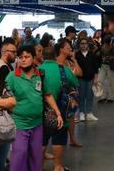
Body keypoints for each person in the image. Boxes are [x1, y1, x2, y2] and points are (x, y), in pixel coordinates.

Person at [7, 46, 62, 171]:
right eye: (20, 57)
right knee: (18, 156)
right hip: (19, 124)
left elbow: (47, 95)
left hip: (37, 124)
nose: (23, 60)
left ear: (33, 58)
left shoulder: (40, 75)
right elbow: (4, 97)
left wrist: (57, 113)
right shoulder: (12, 77)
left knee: (36, 158)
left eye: (27, 57)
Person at [39, 42, 79, 171]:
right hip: (61, 111)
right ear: (55, 56)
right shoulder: (64, 69)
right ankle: (58, 166)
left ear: (42, 57)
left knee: (42, 140)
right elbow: (75, 82)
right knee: (59, 139)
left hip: (41, 112)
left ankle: (38, 166)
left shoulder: (37, 70)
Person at [75, 38, 101, 121]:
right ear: (79, 45)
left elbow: (95, 67)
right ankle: (82, 113)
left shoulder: (92, 55)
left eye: (85, 43)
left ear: (87, 45)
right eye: (82, 43)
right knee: (81, 96)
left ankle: (89, 113)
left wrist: (96, 78)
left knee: (90, 95)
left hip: (90, 78)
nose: (84, 45)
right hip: (80, 79)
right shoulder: (77, 55)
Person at [97, 39, 114, 103]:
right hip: (103, 66)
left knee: (110, 82)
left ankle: (110, 97)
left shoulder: (112, 48)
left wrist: (111, 57)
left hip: (110, 66)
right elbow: (98, 55)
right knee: (100, 80)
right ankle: (103, 97)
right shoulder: (102, 47)